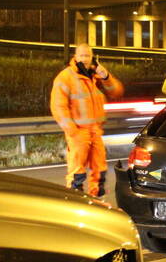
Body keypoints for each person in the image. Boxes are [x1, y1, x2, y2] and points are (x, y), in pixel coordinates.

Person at [50, 43, 123, 197]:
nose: (84, 59)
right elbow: (58, 106)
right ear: (75, 57)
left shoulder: (95, 75)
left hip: (95, 131)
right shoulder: (66, 77)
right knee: (77, 174)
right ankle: (75, 201)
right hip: (78, 132)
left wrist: (106, 76)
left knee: (100, 171)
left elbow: (116, 92)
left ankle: (97, 201)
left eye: (87, 55)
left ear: (92, 57)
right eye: (81, 55)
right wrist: (72, 131)